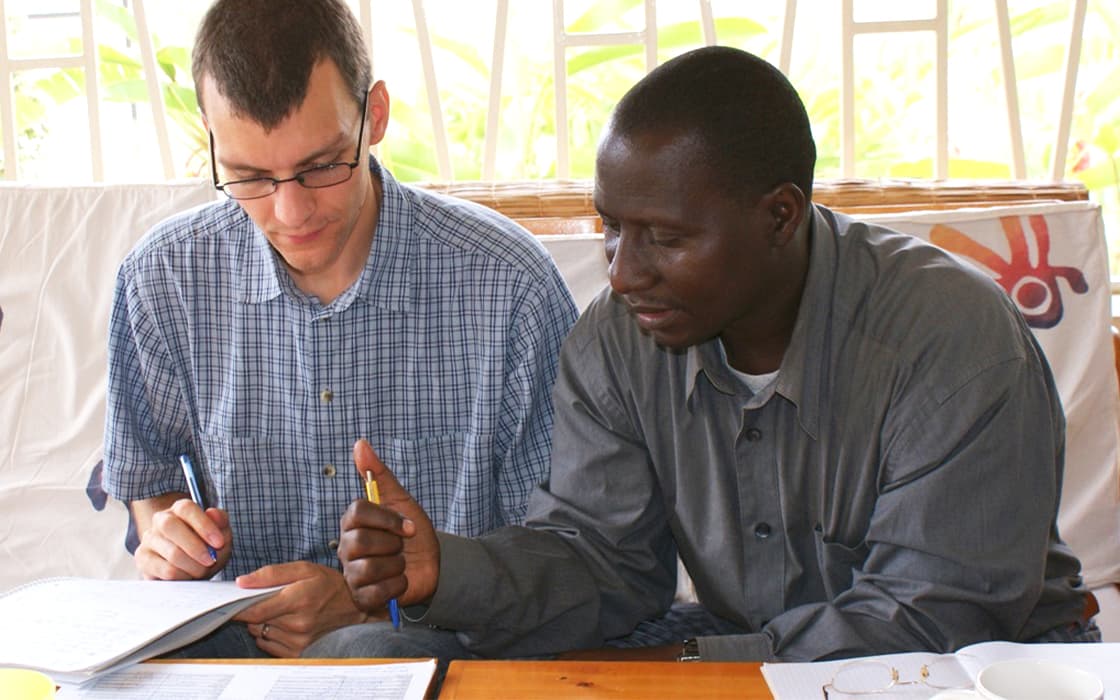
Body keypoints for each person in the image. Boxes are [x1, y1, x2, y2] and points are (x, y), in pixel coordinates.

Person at [328, 45, 1099, 663]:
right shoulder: (619, 340)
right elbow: (606, 563)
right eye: (611, 229)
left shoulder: (952, 340)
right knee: (371, 651)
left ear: (780, 216)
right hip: (742, 654)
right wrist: (445, 570)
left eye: (665, 238)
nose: (622, 273)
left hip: (978, 672)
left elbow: (931, 620)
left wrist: (694, 667)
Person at [102, 0, 577, 658]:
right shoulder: (162, 281)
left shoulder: (508, 287)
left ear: (374, 116)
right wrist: (170, 537)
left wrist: (373, 607)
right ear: (211, 139)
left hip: (446, 657)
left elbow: (565, 557)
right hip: (234, 659)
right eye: (249, 177)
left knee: (372, 650)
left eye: (323, 166)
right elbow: (148, 480)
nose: (291, 211)